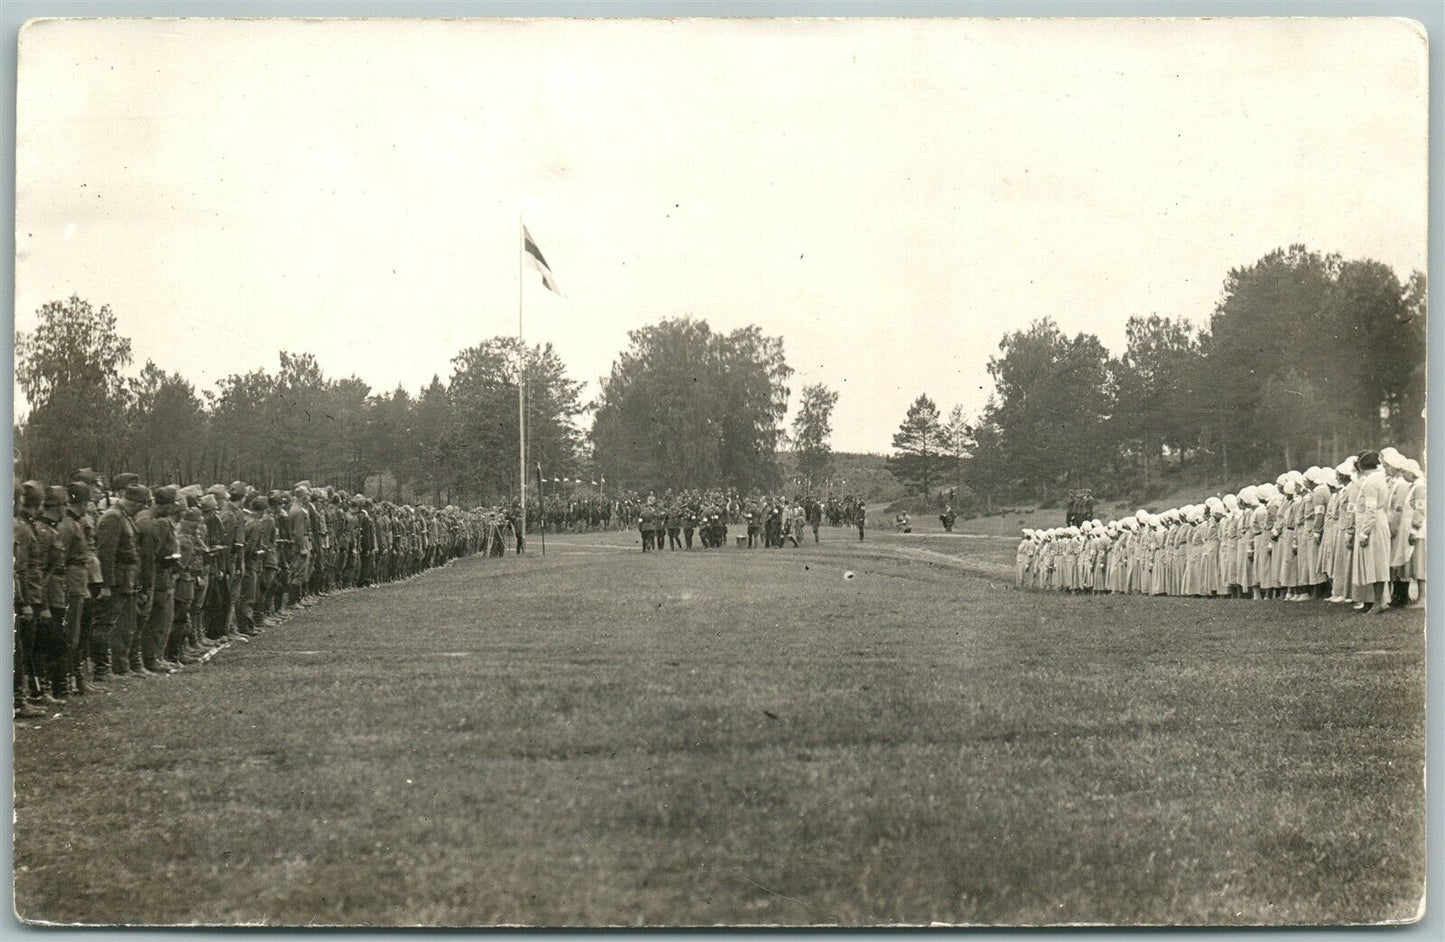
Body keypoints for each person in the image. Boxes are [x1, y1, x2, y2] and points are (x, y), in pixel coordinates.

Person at [1351, 450, 1393, 614]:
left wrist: (1364, 533)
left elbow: (1370, 509)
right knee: (1374, 563)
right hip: (1376, 523)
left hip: (1373, 526)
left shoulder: (1370, 482)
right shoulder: (1378, 479)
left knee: (1376, 564)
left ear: (1361, 466)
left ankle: (1378, 603)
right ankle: (1374, 602)